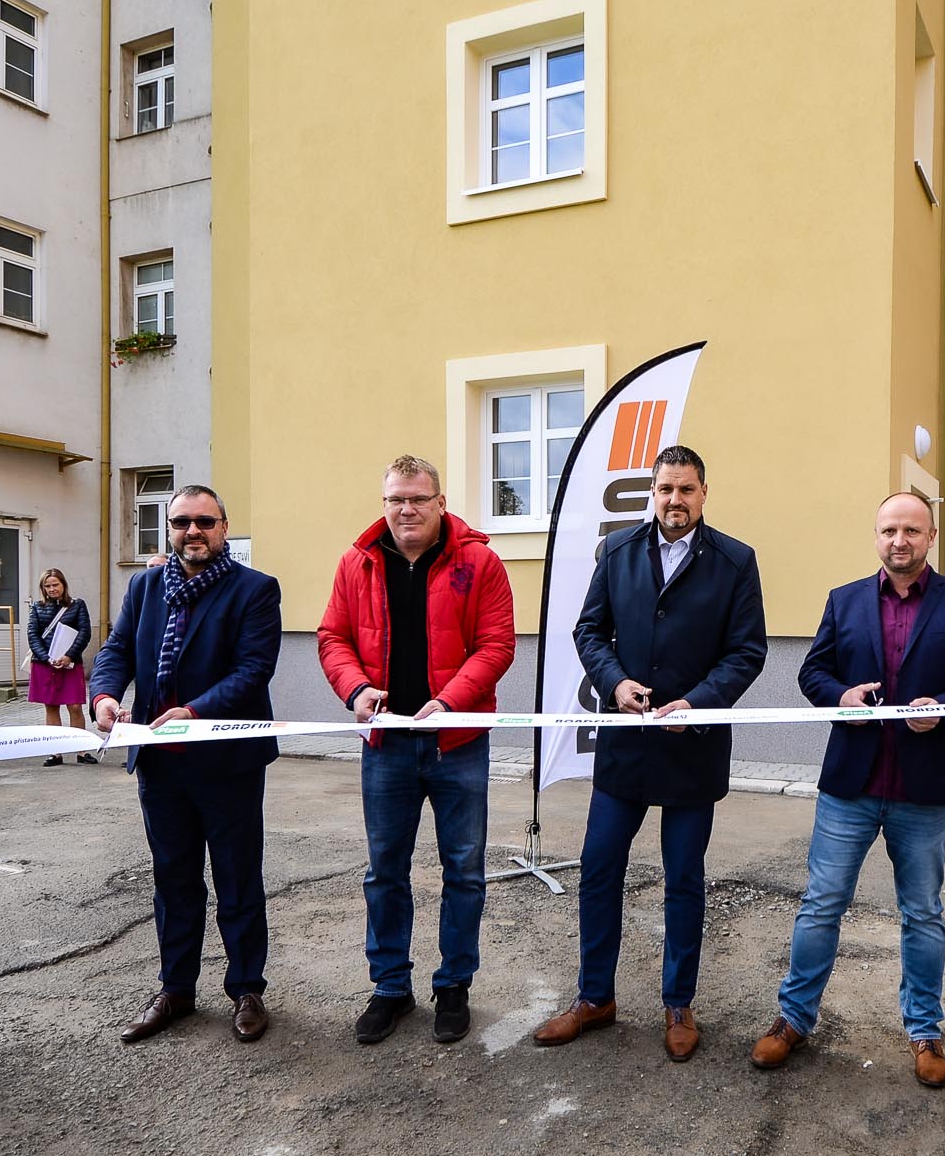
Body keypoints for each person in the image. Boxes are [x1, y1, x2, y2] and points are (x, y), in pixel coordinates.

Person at [751, 492, 945, 1087]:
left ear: (931, 536)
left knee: (922, 913)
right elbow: (812, 671)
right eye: (890, 530)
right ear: (876, 536)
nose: (900, 541)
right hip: (852, 783)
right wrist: (839, 697)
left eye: (912, 531)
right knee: (821, 905)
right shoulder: (844, 601)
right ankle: (793, 1019)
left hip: (923, 787)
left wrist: (944, 710)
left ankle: (924, 1032)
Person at [534, 445, 767, 1061]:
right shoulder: (616, 552)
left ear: (704, 492)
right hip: (626, 748)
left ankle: (678, 1004)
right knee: (600, 868)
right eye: (665, 489)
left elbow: (747, 651)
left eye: (686, 489)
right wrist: (613, 683)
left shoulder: (735, 561)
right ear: (652, 491)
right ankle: (594, 999)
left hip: (691, 748)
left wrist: (697, 702)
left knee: (683, 880)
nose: (674, 500)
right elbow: (589, 630)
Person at [316, 455, 516, 1045]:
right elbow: (333, 637)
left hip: (457, 742)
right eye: (396, 499)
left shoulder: (479, 561)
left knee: (465, 870)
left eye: (418, 499)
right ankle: (390, 987)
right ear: (384, 504)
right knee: (385, 872)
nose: (407, 509)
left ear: (440, 503)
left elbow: (496, 644)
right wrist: (354, 689)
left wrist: (451, 702)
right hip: (387, 744)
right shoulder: (357, 563)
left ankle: (454, 984)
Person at [90, 484, 283, 1046]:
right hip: (160, 766)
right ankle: (175, 988)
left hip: (227, 764)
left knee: (237, 877)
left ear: (223, 527)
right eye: (181, 522)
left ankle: (246, 989)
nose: (192, 531)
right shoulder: (146, 585)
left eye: (204, 521)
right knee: (174, 880)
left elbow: (253, 669)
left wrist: (194, 711)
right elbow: (117, 650)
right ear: (168, 529)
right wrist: (104, 696)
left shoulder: (254, 590)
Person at [28, 568, 96, 766]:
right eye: (47, 586)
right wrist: (47, 658)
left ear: (63, 585)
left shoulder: (77, 605)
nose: (52, 589)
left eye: (55, 584)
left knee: (75, 706)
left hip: (70, 663)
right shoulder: (37, 607)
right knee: (51, 706)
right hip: (45, 664)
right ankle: (55, 751)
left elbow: (84, 633)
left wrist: (68, 656)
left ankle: (81, 750)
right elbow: (33, 635)